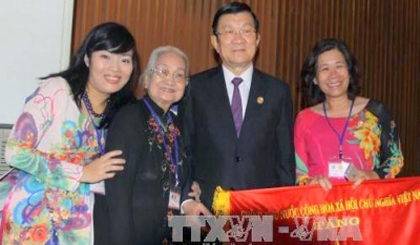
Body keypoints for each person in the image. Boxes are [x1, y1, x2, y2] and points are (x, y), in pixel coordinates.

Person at [0, 22, 139, 244]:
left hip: (77, 224)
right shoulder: (57, 90)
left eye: (124, 59)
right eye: (105, 56)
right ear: (87, 59)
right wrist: (81, 173)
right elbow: (16, 152)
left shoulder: (124, 113)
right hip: (29, 217)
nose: (115, 68)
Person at [181, 1, 296, 212]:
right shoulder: (194, 88)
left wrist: (284, 213)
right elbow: (183, 150)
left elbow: (285, 160)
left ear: (257, 38)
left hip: (261, 214)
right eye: (228, 31)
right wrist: (186, 200)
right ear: (215, 42)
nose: (238, 38)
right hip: (203, 212)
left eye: (246, 30)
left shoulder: (278, 91)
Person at [94, 46, 210, 245]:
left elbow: (178, 181)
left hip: (164, 234)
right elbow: (117, 197)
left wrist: (187, 203)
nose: (170, 80)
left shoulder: (177, 125)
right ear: (147, 79)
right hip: (126, 237)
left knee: (246, 232)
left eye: (179, 75)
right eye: (163, 72)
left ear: (186, 85)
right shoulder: (129, 119)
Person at [295, 38, 404, 190]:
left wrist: (372, 175)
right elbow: (298, 173)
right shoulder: (304, 119)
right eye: (324, 69)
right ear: (314, 79)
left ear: (350, 71)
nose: (333, 75)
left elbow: (395, 159)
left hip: (366, 205)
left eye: (339, 66)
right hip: (320, 208)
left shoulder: (375, 112)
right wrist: (309, 182)